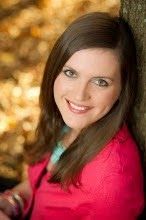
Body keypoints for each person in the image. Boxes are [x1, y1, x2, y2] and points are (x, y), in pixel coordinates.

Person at [0, 12, 144, 220]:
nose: (79, 95)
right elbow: (38, 185)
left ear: (123, 89)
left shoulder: (111, 182)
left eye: (100, 82)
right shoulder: (67, 122)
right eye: (71, 73)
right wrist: (14, 200)